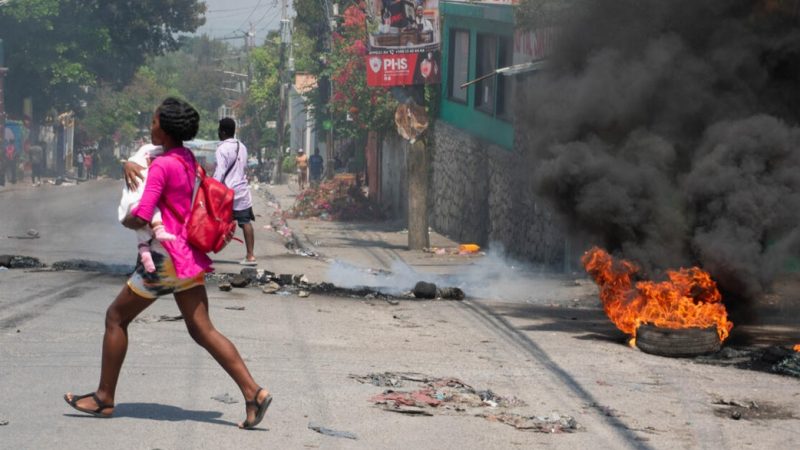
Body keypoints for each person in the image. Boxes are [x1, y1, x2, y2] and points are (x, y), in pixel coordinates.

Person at [64, 97, 272, 429]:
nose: (150, 127)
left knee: (115, 318)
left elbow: (143, 214)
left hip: (163, 260)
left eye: (153, 122)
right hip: (187, 256)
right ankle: (254, 393)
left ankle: (104, 398)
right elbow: (144, 157)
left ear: (166, 127)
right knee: (202, 330)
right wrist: (125, 164)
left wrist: (127, 218)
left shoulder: (162, 166)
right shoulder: (186, 158)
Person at [117, 143, 177, 273]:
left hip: (164, 210)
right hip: (149, 206)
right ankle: (143, 268)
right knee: (146, 230)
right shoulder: (149, 150)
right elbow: (133, 163)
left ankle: (145, 267)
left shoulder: (177, 156)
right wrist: (128, 164)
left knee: (145, 235)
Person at [214, 117, 257, 266]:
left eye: (219, 130)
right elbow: (243, 166)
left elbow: (220, 171)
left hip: (227, 192)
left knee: (213, 220)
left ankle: (203, 251)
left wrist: (212, 187)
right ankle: (251, 256)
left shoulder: (221, 149)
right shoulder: (242, 147)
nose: (218, 132)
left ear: (223, 132)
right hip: (242, 190)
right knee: (246, 222)